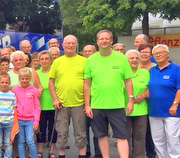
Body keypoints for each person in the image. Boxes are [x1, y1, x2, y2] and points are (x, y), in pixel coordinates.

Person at [84, 30, 134, 158]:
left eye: (107, 39)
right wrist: (87, 105)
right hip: (97, 106)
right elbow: (87, 84)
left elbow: (128, 80)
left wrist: (131, 100)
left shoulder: (121, 58)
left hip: (116, 105)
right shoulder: (90, 60)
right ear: (97, 42)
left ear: (111, 41)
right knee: (102, 136)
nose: (104, 41)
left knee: (122, 137)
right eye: (102, 39)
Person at [48, 35, 87, 158]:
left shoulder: (84, 61)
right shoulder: (57, 62)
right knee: (62, 133)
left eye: (72, 43)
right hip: (61, 104)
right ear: (63, 45)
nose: (70, 45)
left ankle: (82, 155)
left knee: (80, 133)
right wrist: (55, 99)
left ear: (76, 45)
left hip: (79, 103)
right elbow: (51, 82)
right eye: (67, 43)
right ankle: (62, 155)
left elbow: (88, 83)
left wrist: (87, 104)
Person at [148, 44, 180, 157]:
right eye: (156, 54)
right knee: (158, 141)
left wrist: (175, 104)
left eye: (161, 52)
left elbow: (179, 88)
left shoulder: (176, 69)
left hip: (171, 112)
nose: (158, 55)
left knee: (172, 139)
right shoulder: (152, 71)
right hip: (154, 111)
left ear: (168, 54)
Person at [124, 49, 150, 158]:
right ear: (127, 60)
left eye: (136, 58)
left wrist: (143, 96)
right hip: (124, 110)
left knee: (140, 137)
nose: (135, 60)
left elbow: (150, 88)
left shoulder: (145, 73)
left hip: (141, 110)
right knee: (125, 138)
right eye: (132, 58)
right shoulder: (122, 73)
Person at [12, 68, 40, 158]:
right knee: (20, 141)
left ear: (30, 79)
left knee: (30, 140)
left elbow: (37, 107)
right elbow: (13, 105)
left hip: (30, 120)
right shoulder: (15, 90)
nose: (24, 80)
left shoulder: (34, 90)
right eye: (22, 78)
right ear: (19, 79)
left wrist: (36, 121)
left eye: (27, 78)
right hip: (19, 119)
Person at [0, 74, 17, 158]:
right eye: (2, 82)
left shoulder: (12, 95)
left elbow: (15, 109)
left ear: (9, 83)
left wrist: (15, 123)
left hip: (9, 122)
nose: (4, 84)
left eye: (6, 82)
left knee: (8, 142)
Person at [36, 51, 57, 158]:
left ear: (50, 60)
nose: (44, 61)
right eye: (42, 59)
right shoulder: (36, 73)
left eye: (46, 59)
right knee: (41, 129)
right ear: (39, 61)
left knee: (53, 129)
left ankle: (51, 151)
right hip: (40, 106)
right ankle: (40, 151)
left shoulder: (55, 72)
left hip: (54, 106)